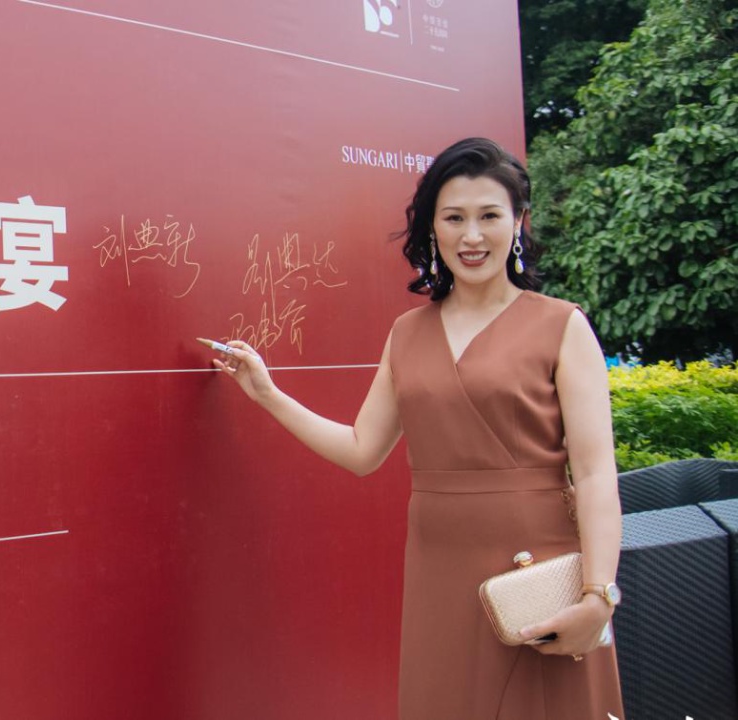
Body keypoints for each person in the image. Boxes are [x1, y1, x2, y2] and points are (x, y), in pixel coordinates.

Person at [209, 138, 625, 719]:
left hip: (536, 569)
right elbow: (362, 450)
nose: (471, 236)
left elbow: (596, 473)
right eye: (453, 218)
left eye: (489, 216)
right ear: (432, 226)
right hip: (439, 566)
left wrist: (599, 596)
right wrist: (268, 394)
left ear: (518, 222)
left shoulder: (562, 325)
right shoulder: (407, 333)